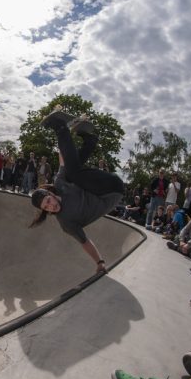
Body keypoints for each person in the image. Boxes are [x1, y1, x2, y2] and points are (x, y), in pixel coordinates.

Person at [31, 107, 124, 274]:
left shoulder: (59, 183)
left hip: (107, 182)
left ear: (51, 194)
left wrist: (63, 143)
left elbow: (63, 161)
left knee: (72, 170)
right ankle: (61, 126)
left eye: (48, 201)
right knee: (74, 172)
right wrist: (100, 262)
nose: (51, 207)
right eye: (47, 208)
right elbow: (85, 242)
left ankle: (89, 140)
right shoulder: (66, 222)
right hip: (112, 193)